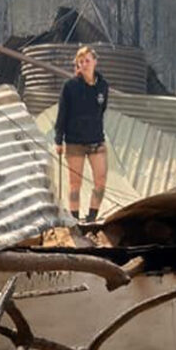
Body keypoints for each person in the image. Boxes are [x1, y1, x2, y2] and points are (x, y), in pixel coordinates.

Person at [54, 46, 109, 223]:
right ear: (77, 64)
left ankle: (92, 216)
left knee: (100, 181)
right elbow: (62, 114)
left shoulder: (103, 86)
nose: (84, 64)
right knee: (75, 184)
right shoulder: (70, 87)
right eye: (81, 61)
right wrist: (58, 140)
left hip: (97, 141)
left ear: (95, 62)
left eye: (87, 61)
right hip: (74, 142)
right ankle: (74, 218)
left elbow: (102, 110)